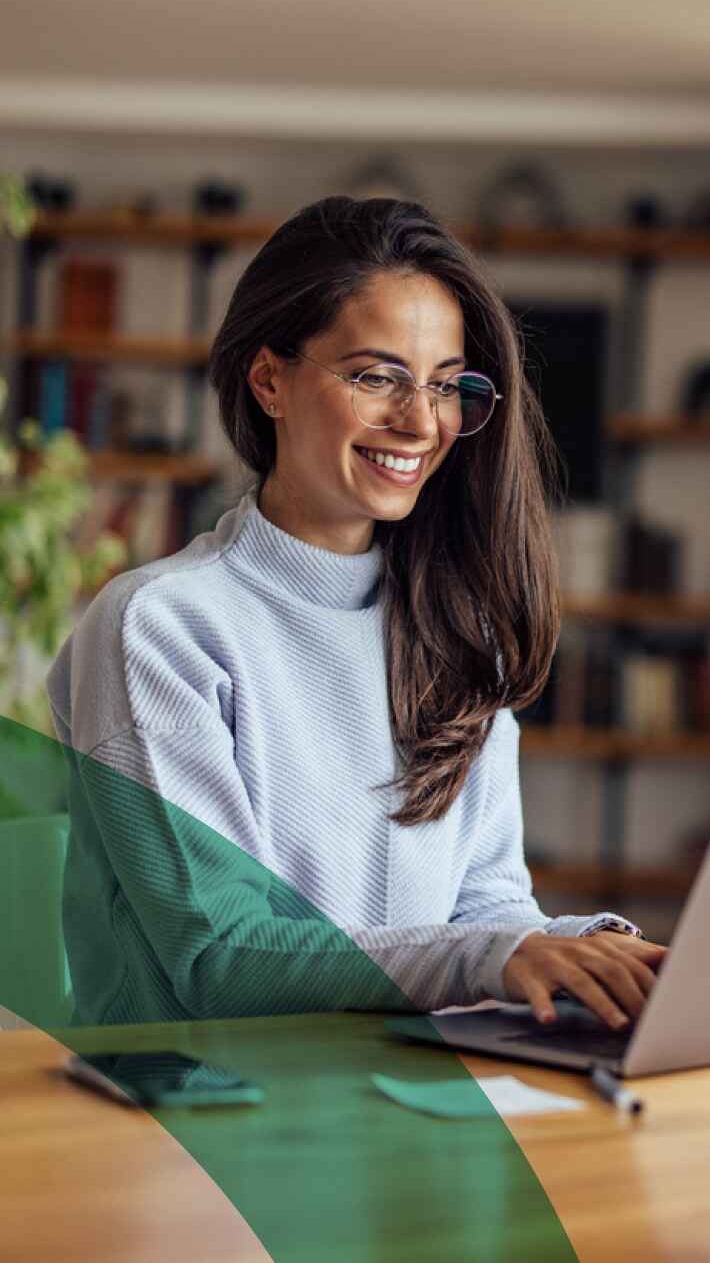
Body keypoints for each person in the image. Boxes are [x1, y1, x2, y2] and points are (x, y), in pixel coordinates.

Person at [46, 195, 667, 1030]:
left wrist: (593, 954)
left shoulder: (457, 636)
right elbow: (219, 955)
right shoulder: (159, 627)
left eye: (446, 386)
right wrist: (493, 957)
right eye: (377, 376)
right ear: (270, 380)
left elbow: (485, 907)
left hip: (393, 1099)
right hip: (196, 1119)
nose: (421, 422)